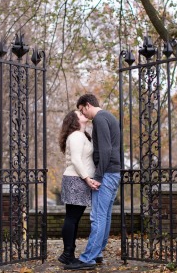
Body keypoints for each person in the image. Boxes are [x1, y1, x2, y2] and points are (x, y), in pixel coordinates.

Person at [64, 93, 121, 271]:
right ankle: (97, 253)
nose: (83, 115)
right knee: (105, 216)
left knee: (98, 217)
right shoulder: (109, 117)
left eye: (82, 110)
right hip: (113, 172)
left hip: (106, 174)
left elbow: (105, 150)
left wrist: (98, 177)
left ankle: (88, 258)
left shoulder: (99, 119)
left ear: (87, 105)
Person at [57, 110, 96, 265]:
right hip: (76, 180)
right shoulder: (76, 136)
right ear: (74, 119)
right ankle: (67, 254)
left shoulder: (82, 135)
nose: (83, 113)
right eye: (79, 113)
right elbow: (76, 160)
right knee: (72, 218)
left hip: (77, 180)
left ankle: (68, 253)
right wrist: (87, 179)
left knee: (73, 218)